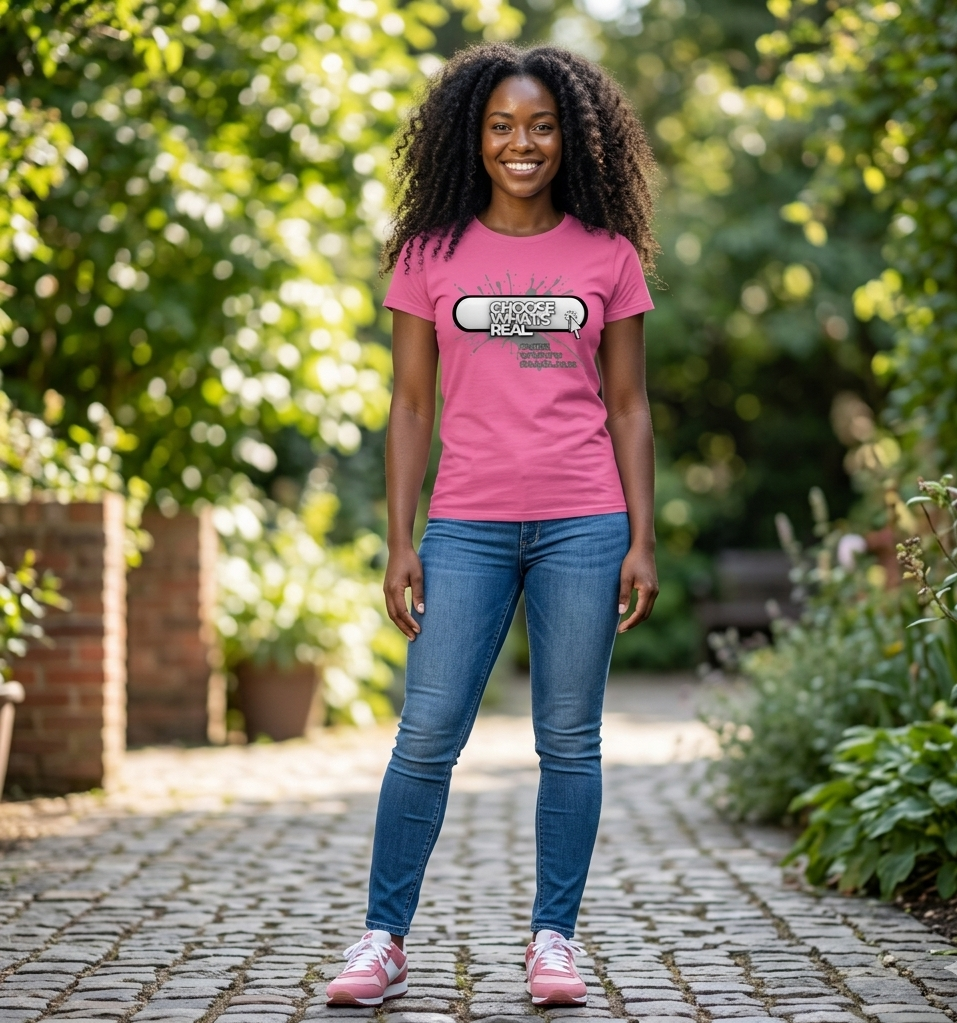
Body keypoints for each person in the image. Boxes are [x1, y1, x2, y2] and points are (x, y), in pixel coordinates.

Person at [326, 42, 660, 1009]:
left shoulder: (609, 256)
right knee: (425, 734)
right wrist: (401, 539)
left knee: (570, 740)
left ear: (573, 138)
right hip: (465, 525)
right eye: (502, 127)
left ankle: (553, 939)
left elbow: (631, 405)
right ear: (471, 138)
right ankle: (382, 939)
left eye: (542, 126)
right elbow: (410, 406)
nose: (522, 143)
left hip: (584, 523)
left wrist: (642, 536)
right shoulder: (428, 254)